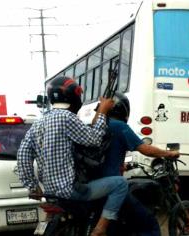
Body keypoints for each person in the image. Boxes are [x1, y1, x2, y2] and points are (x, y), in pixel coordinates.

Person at [17, 76, 128, 236]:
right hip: (70, 191)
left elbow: (23, 155)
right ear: (73, 96)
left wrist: (32, 186)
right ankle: (100, 229)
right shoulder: (67, 117)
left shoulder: (39, 122)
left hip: (50, 193)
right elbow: (94, 140)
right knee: (120, 184)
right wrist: (103, 110)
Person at [99, 92, 179, 236]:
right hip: (112, 187)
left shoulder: (96, 126)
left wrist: (122, 165)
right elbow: (145, 149)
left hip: (95, 184)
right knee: (149, 224)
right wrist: (168, 153)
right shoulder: (120, 126)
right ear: (123, 110)